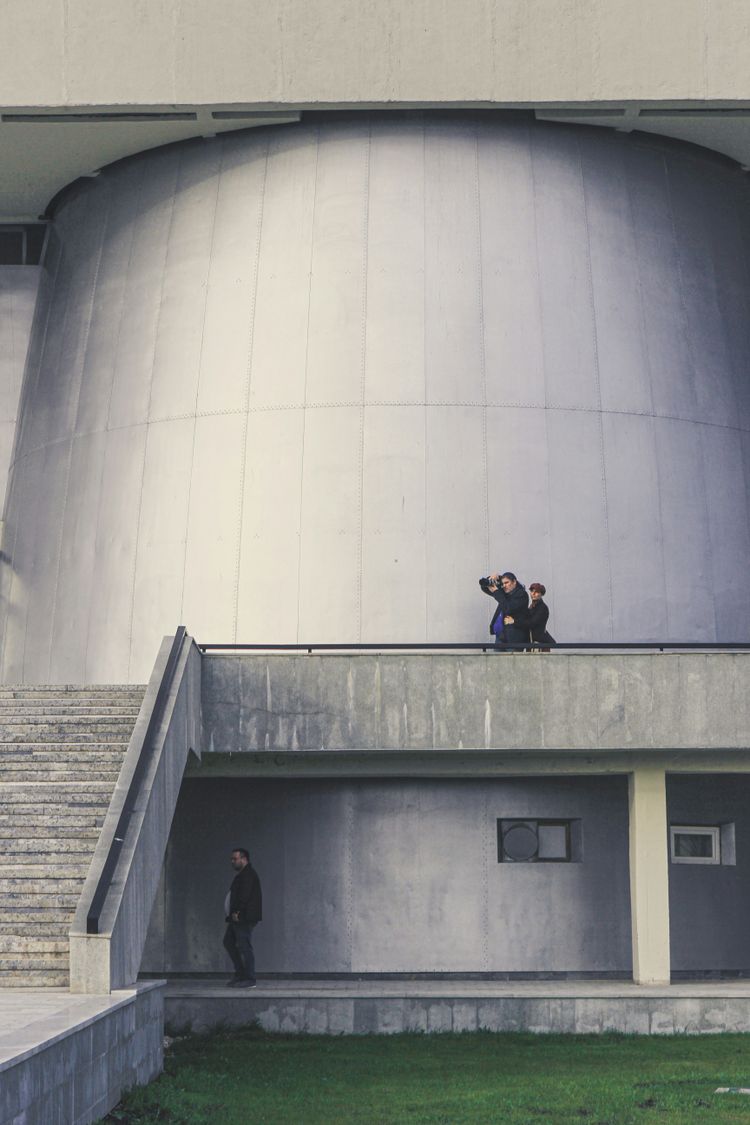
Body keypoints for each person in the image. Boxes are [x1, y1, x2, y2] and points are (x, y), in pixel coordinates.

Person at [223, 847, 262, 988]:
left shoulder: (248, 875)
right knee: (229, 942)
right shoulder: (243, 874)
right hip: (237, 917)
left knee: (244, 946)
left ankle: (249, 979)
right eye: (232, 859)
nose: (232, 861)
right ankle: (240, 974)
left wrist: (237, 911)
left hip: (243, 917)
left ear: (244, 859)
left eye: (235, 858)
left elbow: (244, 896)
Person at [479, 571, 530, 650]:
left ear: (514, 582)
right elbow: (484, 587)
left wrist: (496, 591)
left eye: (506, 582)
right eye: (502, 583)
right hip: (501, 635)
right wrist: (491, 578)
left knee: (512, 662)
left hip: (514, 638)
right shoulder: (504, 593)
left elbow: (508, 608)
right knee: (496, 661)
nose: (504, 586)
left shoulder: (522, 594)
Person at [528, 581, 556, 651]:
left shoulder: (542, 607)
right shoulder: (532, 606)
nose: (533, 594)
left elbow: (532, 623)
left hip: (541, 642)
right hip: (533, 642)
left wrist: (516, 621)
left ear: (541, 594)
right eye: (532, 591)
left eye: (536, 592)